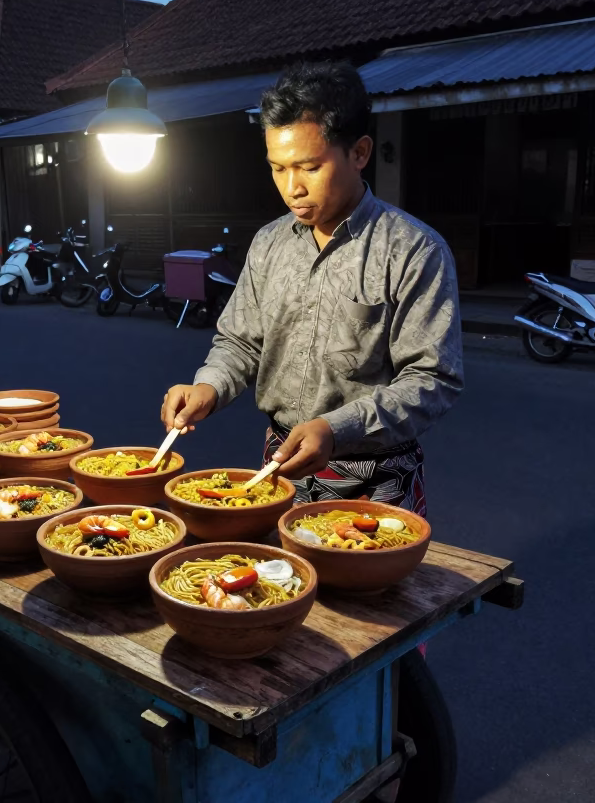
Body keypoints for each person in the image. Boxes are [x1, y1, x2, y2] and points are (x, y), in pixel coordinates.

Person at [160, 61, 463, 515]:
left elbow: (432, 380)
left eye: (309, 167)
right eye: (278, 169)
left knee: (369, 585)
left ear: (359, 153)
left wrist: (336, 427)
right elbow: (240, 342)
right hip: (277, 469)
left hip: (376, 477)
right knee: (276, 582)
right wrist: (210, 385)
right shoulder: (268, 243)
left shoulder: (413, 250)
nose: (292, 188)